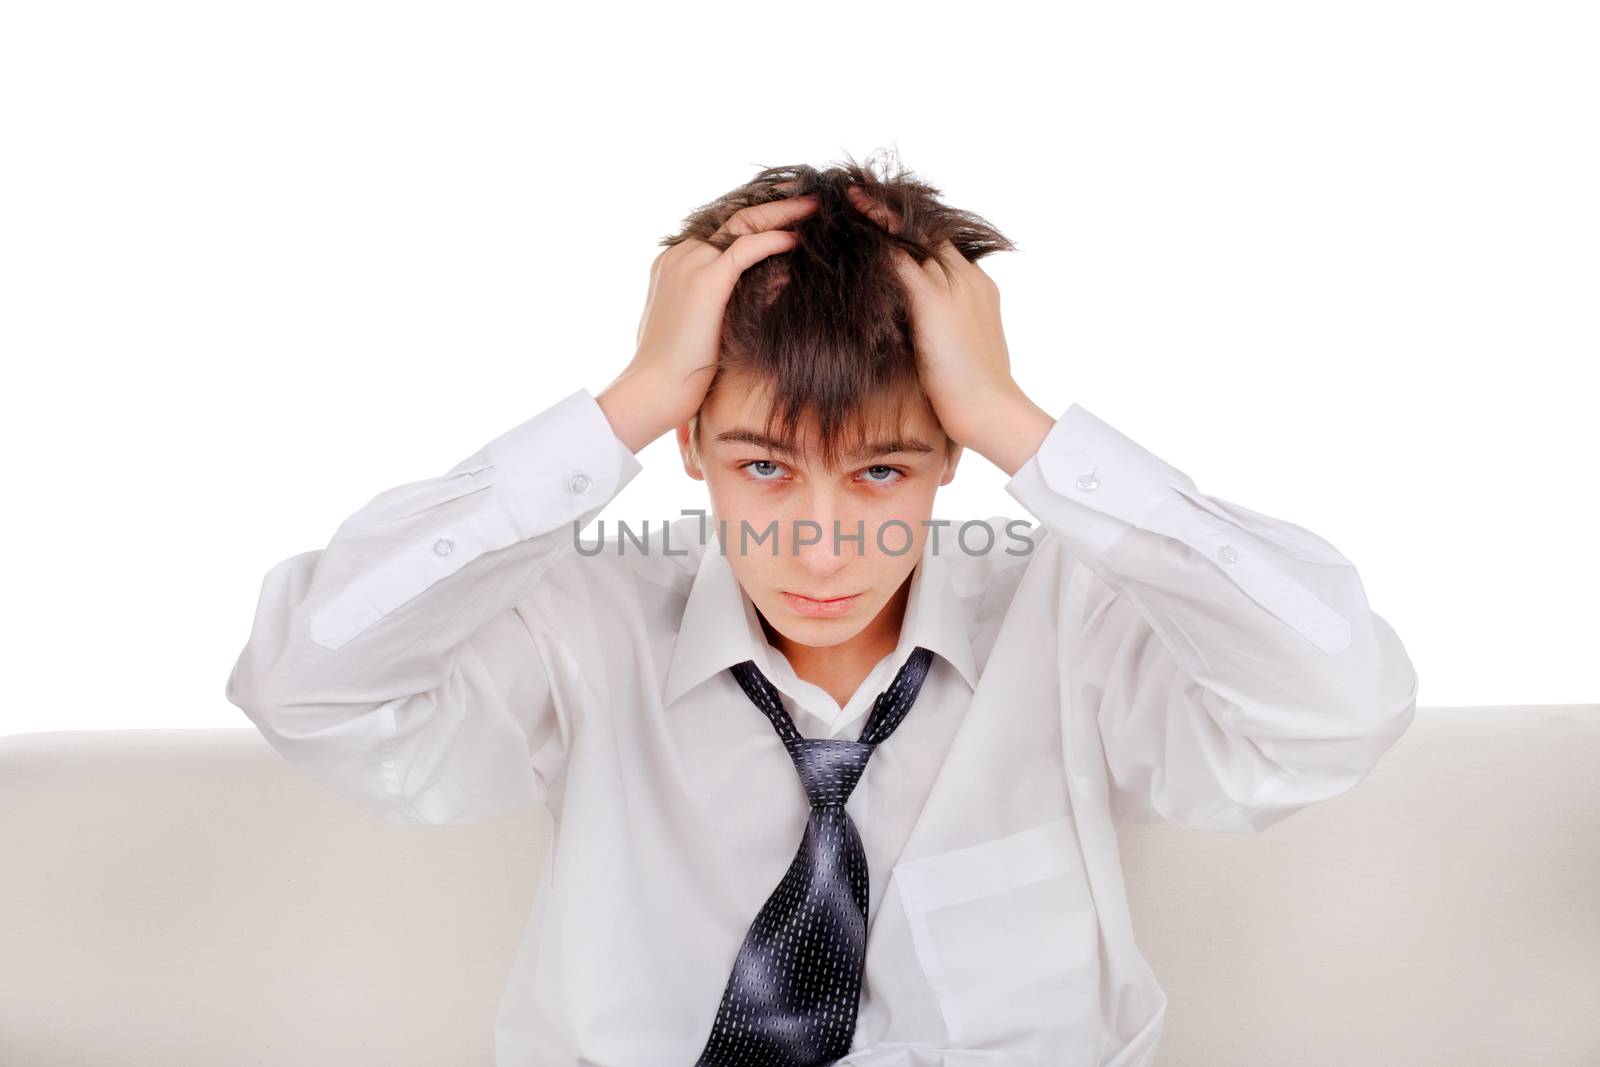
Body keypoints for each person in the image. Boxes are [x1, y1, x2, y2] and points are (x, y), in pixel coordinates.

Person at [225, 153, 1419, 1067]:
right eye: (762, 466)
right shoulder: (581, 630)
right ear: (689, 446)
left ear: (953, 455)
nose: (820, 539)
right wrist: (627, 401)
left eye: (882, 470)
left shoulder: (1072, 627)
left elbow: (1338, 699)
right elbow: (309, 683)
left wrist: (1014, 420)